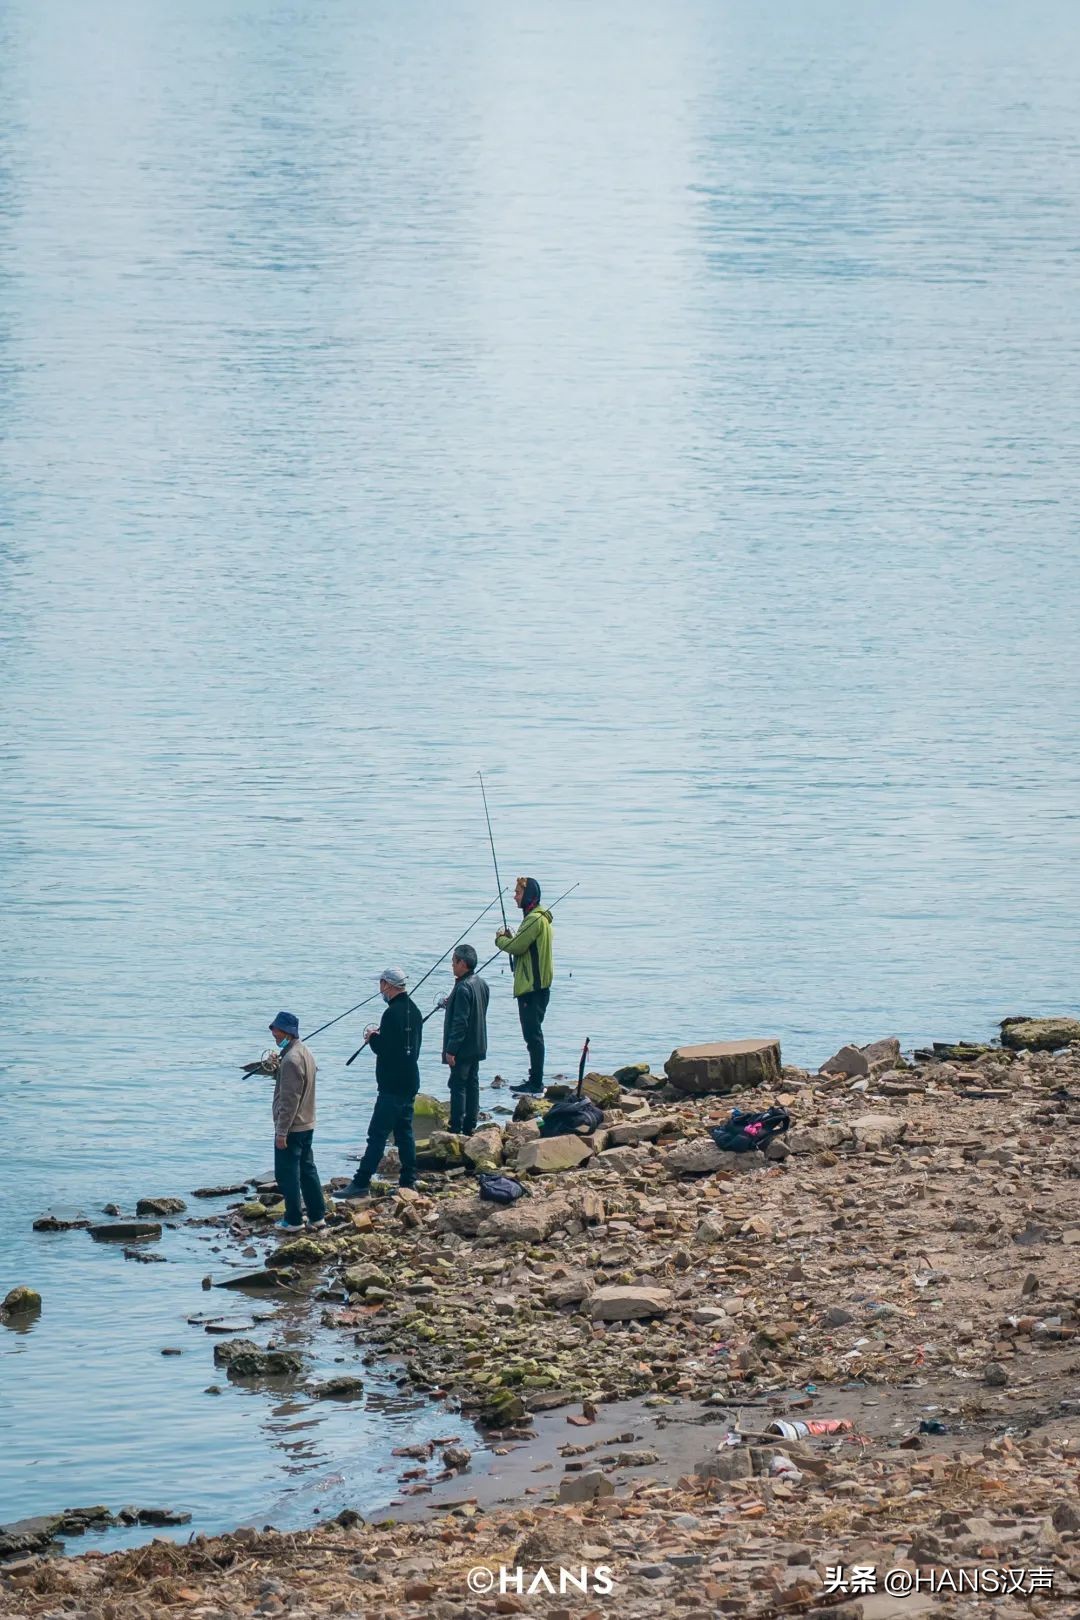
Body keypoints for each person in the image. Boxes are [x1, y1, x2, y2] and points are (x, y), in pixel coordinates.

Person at [343, 968, 423, 1197]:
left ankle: (361, 1182)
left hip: (392, 1085)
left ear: (387, 985)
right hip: (410, 1080)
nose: (380, 990)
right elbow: (407, 1048)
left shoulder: (390, 1014)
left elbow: (386, 1051)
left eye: (381, 985)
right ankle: (408, 1180)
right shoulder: (414, 1010)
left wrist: (372, 1038)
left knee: (377, 1134)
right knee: (404, 1132)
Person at [495, 876, 554, 1094]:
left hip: (532, 988)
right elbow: (525, 947)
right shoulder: (541, 919)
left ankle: (536, 1082)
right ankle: (535, 1077)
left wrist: (500, 939)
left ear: (528, 896)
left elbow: (517, 947)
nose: (514, 897)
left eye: (518, 893)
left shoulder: (534, 920)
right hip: (539, 987)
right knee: (533, 1035)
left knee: (532, 1036)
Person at [269, 1011, 326, 1232]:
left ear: (286, 1032)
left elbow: (289, 1099)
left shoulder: (291, 1060)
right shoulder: (304, 1053)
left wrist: (281, 1132)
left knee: (287, 1175)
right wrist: (278, 1067)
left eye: (277, 1033)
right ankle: (317, 1216)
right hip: (307, 1122)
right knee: (307, 1170)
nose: (275, 1037)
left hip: (292, 1126)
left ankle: (293, 1220)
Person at [441, 944, 490, 1136]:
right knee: (473, 1083)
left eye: (454, 961)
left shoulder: (462, 988)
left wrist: (451, 1050)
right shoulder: (481, 984)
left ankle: (456, 1127)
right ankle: (470, 1126)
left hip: (463, 1048)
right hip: (478, 1044)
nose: (452, 965)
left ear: (462, 963)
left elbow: (460, 1023)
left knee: (457, 1085)